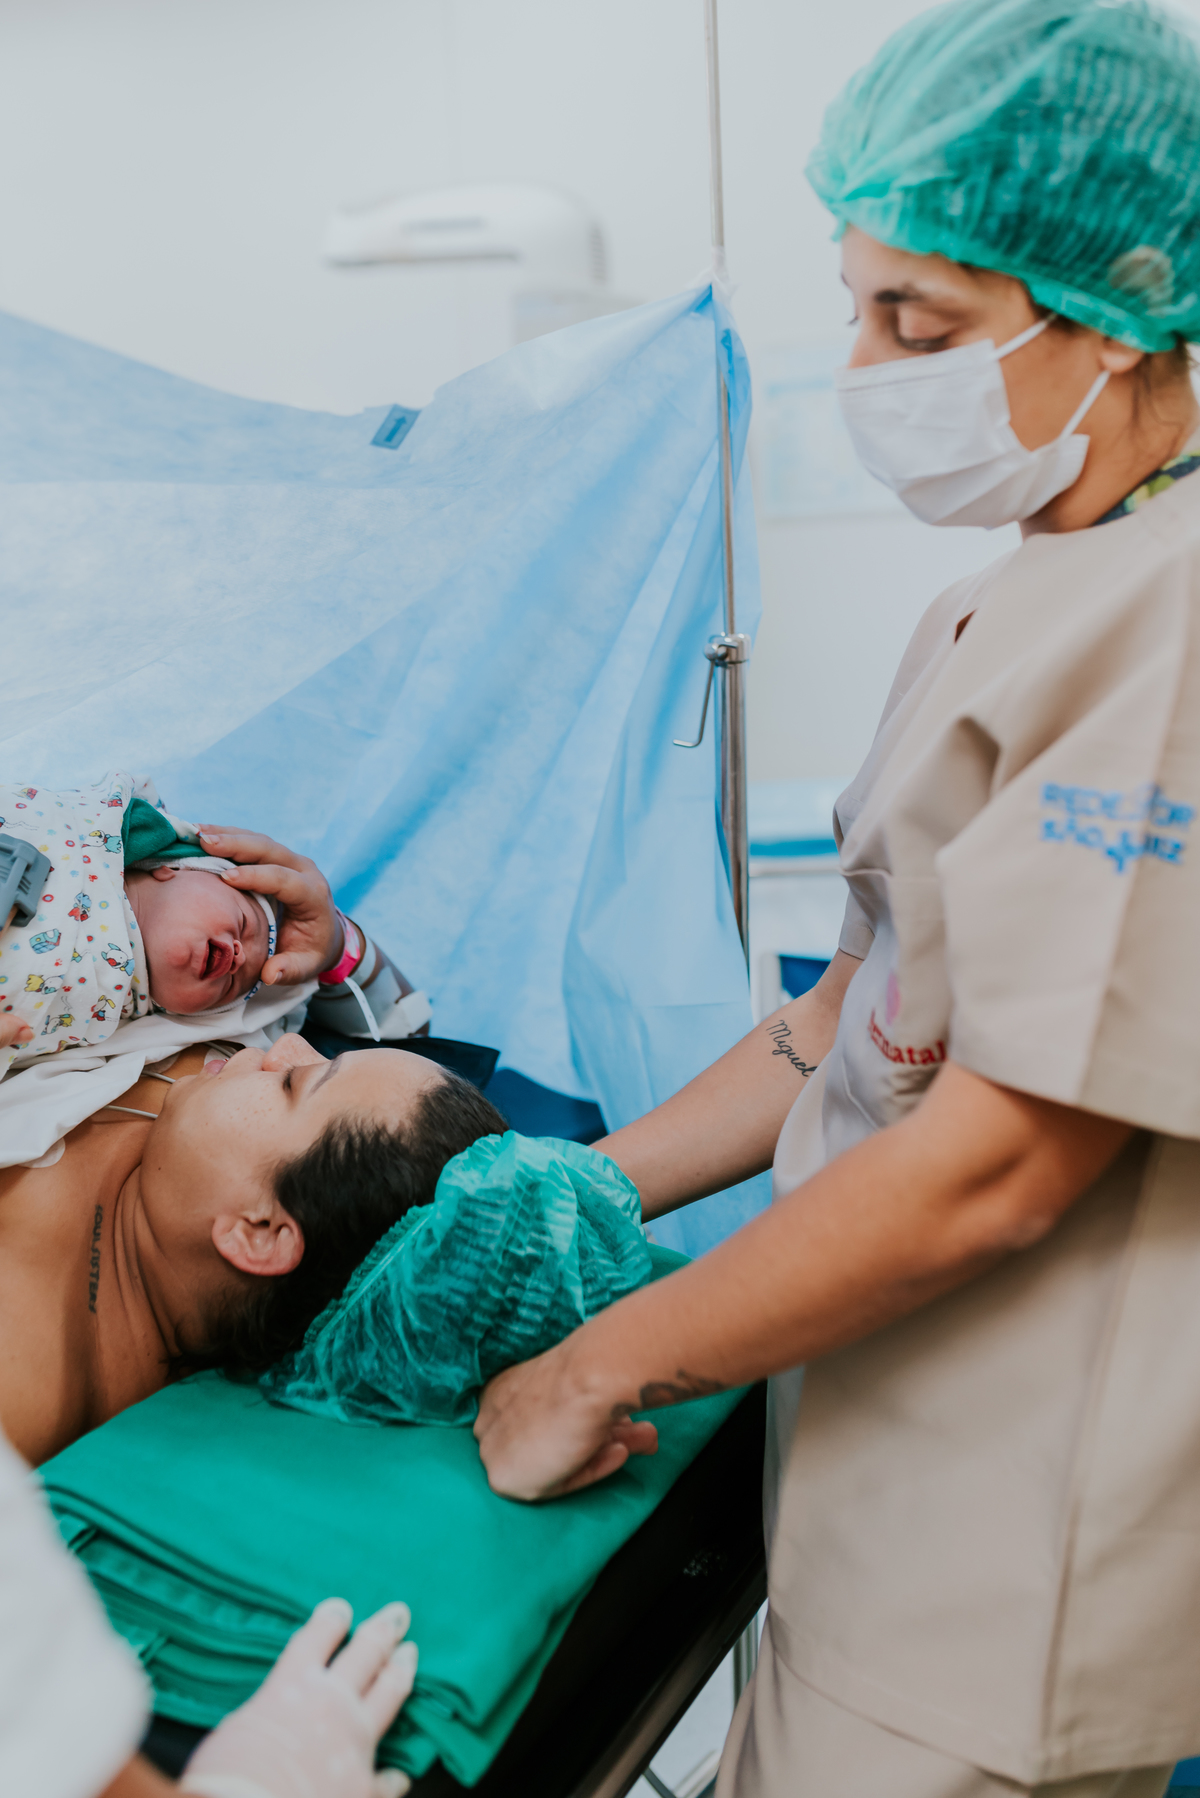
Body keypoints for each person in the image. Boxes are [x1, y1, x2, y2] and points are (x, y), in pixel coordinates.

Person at [472, 2, 1200, 1795]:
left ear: (1119, 307)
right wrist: (571, 1194)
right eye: (858, 304)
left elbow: (1008, 1155)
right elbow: (843, 1022)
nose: (866, 365)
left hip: (1006, 1557)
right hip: (868, 1485)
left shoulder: (1170, 623)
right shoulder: (1003, 598)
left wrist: (596, 1362)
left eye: (920, 321)